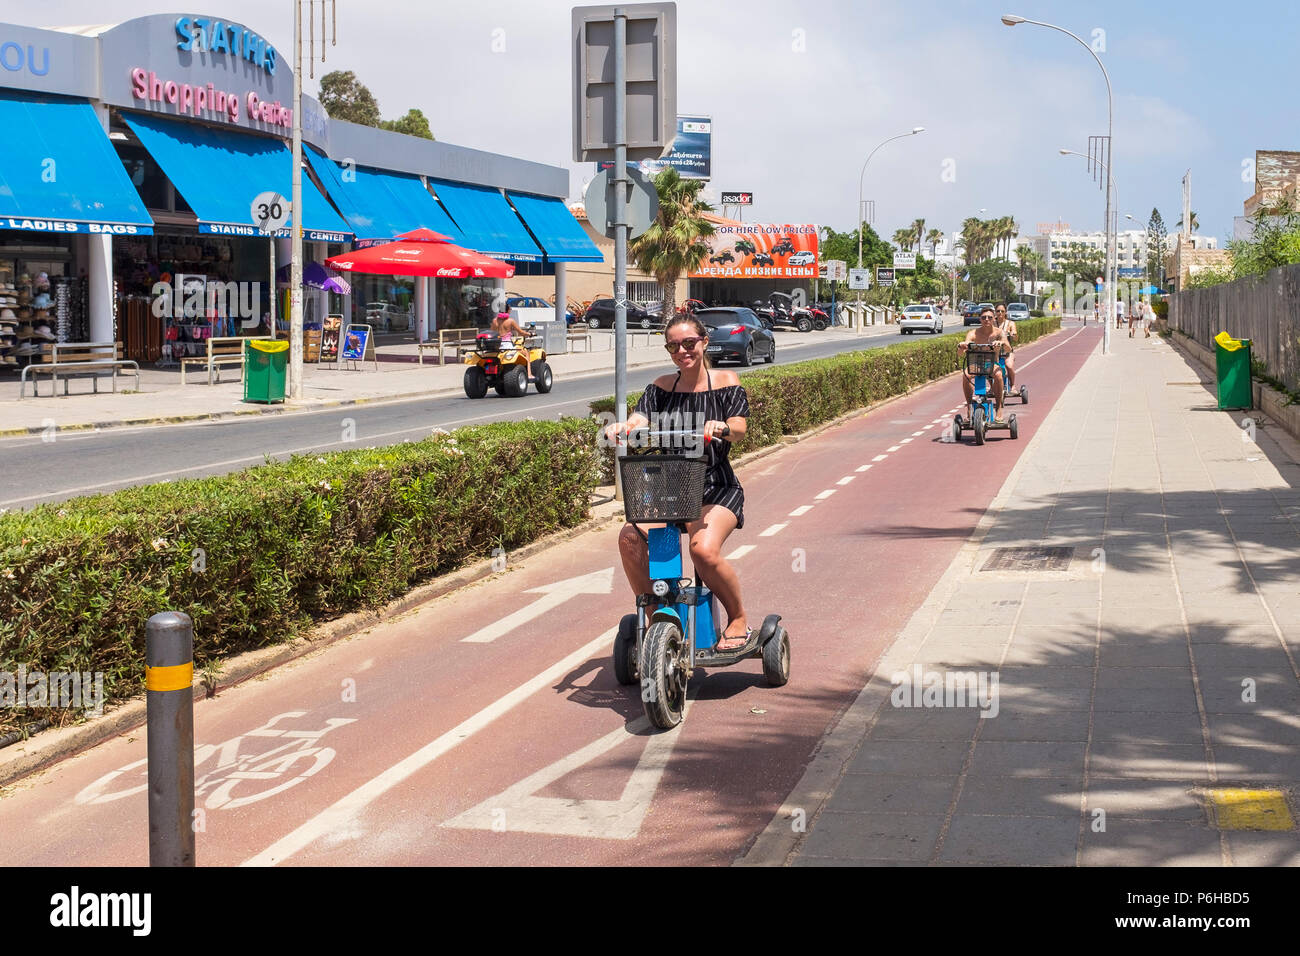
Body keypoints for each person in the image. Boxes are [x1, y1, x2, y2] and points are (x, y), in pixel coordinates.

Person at [604, 314, 752, 651]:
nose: (682, 351)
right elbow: (641, 416)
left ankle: (738, 617)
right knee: (629, 537)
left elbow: (740, 428)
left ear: (704, 342)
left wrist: (722, 427)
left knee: (703, 551)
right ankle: (660, 619)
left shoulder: (725, 381)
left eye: (689, 343)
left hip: (715, 488)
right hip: (670, 490)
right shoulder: (661, 387)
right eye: (674, 345)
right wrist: (624, 426)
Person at [958, 307, 1010, 422]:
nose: (987, 319)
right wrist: (962, 346)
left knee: (999, 376)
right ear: (980, 320)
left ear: (993, 319)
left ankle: (999, 408)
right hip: (976, 363)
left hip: (992, 363)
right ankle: (969, 408)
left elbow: (1008, 348)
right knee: (966, 375)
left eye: (990, 317)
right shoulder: (973, 333)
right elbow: (961, 352)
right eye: (983, 317)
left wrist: (1001, 343)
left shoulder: (999, 332)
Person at [994, 303, 1018, 390]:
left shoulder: (1010, 323)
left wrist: (1013, 334)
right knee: (987, 367)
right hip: (994, 352)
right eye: (998, 311)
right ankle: (992, 386)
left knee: (1009, 366)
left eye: (1002, 311)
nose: (1000, 313)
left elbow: (1015, 337)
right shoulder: (992, 323)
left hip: (1007, 352)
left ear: (1005, 312)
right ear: (995, 312)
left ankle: (1012, 385)